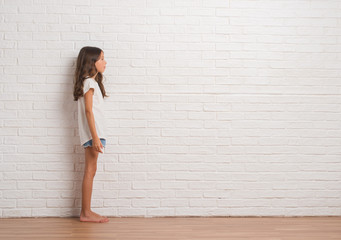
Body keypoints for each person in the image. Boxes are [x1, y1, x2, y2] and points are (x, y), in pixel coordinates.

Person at [73, 46, 109, 223]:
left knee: (91, 170)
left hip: (94, 133)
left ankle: (86, 211)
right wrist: (95, 137)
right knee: (90, 170)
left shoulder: (91, 83)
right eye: (101, 59)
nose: (105, 62)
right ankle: (85, 212)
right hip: (92, 133)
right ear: (91, 62)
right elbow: (88, 111)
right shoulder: (89, 82)